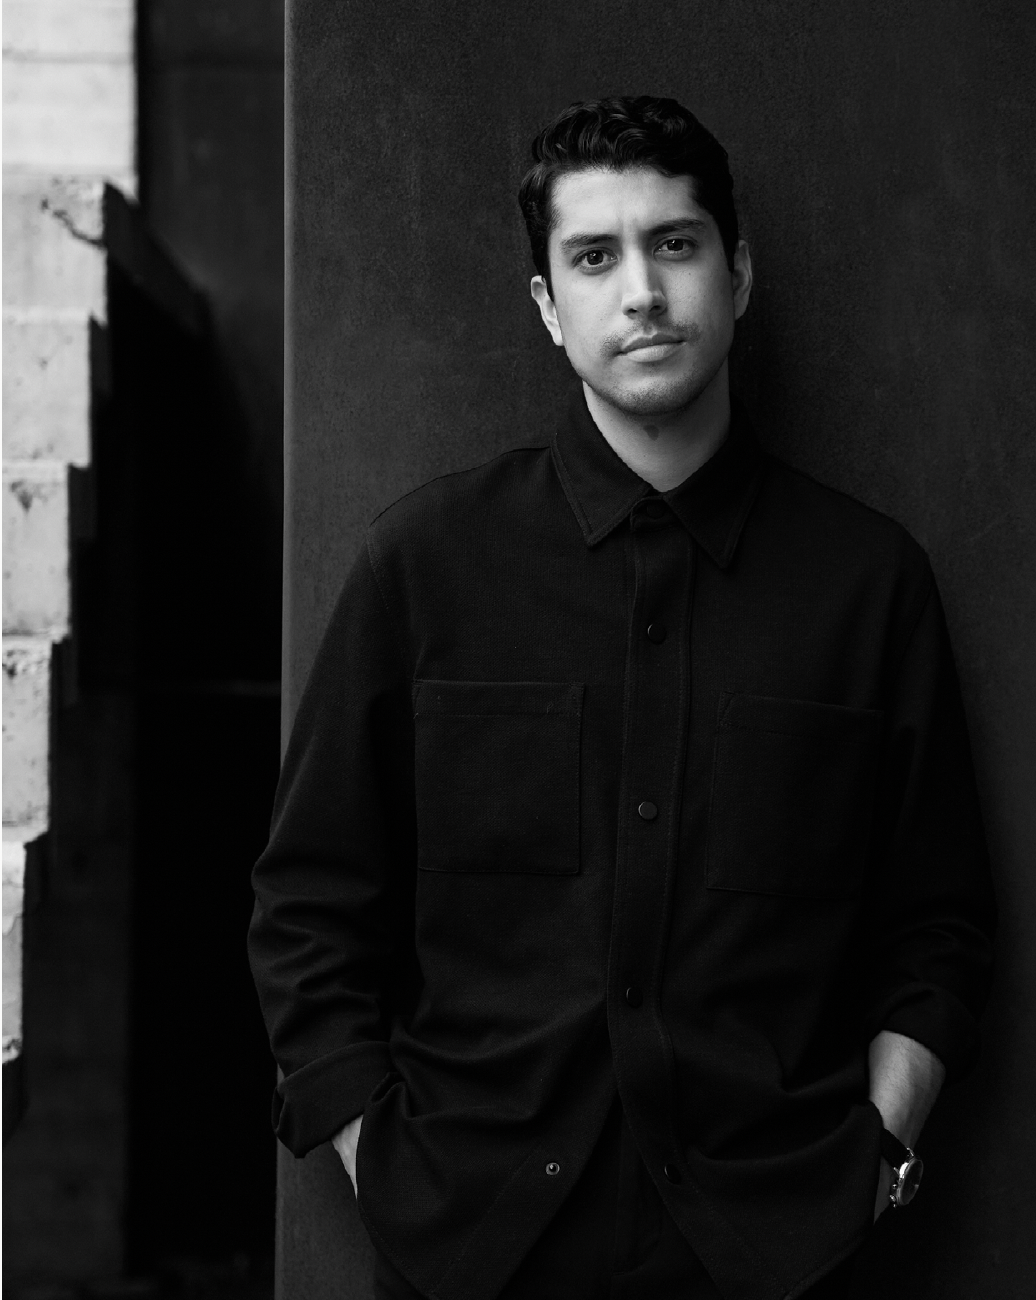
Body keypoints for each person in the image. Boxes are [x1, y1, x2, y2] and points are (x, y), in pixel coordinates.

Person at [248, 96, 996, 1300]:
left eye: (676, 243)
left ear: (738, 272)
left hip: (779, 1248)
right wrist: (372, 1147)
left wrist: (882, 1143)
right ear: (548, 307)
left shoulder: (868, 584)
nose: (641, 290)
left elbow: (940, 923)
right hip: (474, 1244)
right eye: (593, 257)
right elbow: (310, 903)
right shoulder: (424, 563)